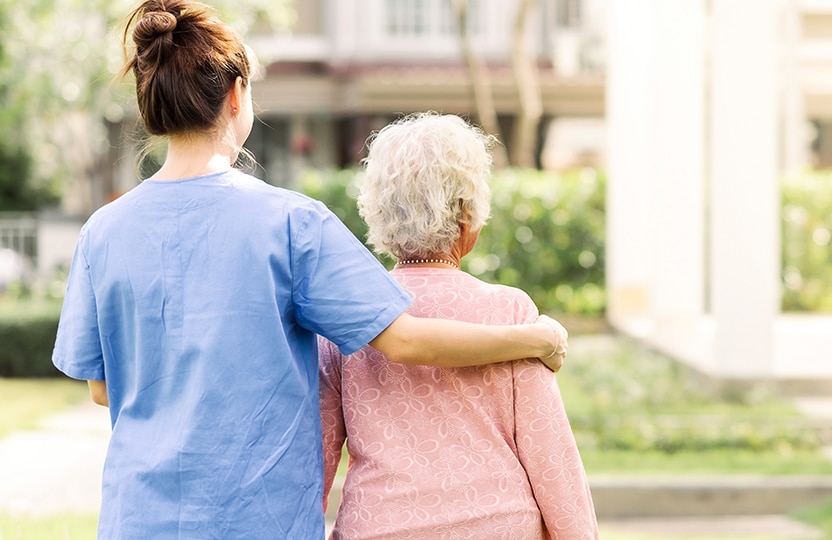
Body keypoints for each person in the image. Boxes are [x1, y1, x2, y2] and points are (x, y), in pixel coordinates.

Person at [50, 2, 567, 538]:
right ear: (236, 96)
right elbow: (407, 342)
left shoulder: (102, 232)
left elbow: (102, 389)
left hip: (136, 520)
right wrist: (534, 338)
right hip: (257, 521)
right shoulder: (291, 223)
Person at [319, 113, 599, 539]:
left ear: (377, 213)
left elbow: (314, 456)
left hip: (381, 527)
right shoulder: (510, 312)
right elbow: (551, 456)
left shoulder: (348, 318)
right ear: (468, 214)